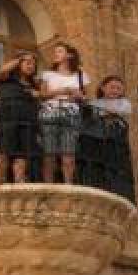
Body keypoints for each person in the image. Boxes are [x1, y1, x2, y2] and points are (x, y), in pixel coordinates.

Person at [38, 42, 89, 184]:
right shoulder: (47, 74)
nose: (55, 54)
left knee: (69, 155)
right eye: (55, 52)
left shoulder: (80, 74)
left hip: (71, 114)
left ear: (69, 55)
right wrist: (62, 91)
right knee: (49, 154)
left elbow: (85, 97)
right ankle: (48, 186)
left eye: (59, 51)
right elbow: (41, 95)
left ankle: (68, 185)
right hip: (49, 113)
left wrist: (78, 96)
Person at [0, 52, 42, 184]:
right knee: (3, 150)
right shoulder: (7, 78)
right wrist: (21, 57)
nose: (30, 65)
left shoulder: (34, 84)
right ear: (18, 63)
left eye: (33, 63)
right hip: (8, 118)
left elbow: (39, 102)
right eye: (27, 62)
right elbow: (1, 70)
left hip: (27, 121)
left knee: (22, 155)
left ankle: (19, 182)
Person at [86, 75, 136, 202]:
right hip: (97, 138)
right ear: (103, 88)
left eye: (119, 89)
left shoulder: (125, 103)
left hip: (115, 138)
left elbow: (119, 111)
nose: (115, 91)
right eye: (112, 87)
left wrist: (104, 112)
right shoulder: (94, 103)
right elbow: (94, 114)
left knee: (115, 165)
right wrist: (106, 112)